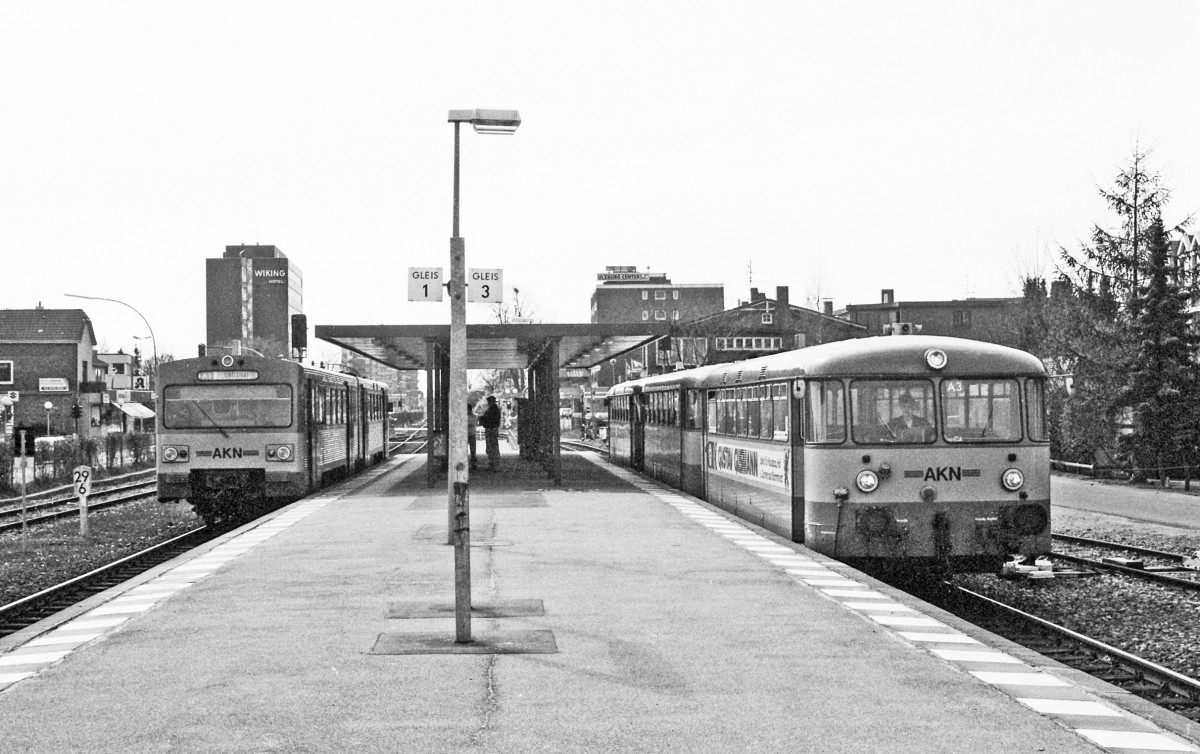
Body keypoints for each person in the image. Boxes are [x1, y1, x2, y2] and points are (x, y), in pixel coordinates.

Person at [480, 395, 502, 470]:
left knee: (491, 447)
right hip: (493, 429)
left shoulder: (491, 410)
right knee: (493, 446)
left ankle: (493, 464)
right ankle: (494, 464)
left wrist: (482, 419)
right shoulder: (495, 409)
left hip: (490, 429)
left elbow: (489, 419)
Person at [467, 403, 478, 469]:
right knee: (465, 450)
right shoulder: (464, 416)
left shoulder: (474, 416)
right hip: (465, 435)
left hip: (471, 434)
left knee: (473, 450)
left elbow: (474, 423)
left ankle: (473, 463)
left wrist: (468, 424)